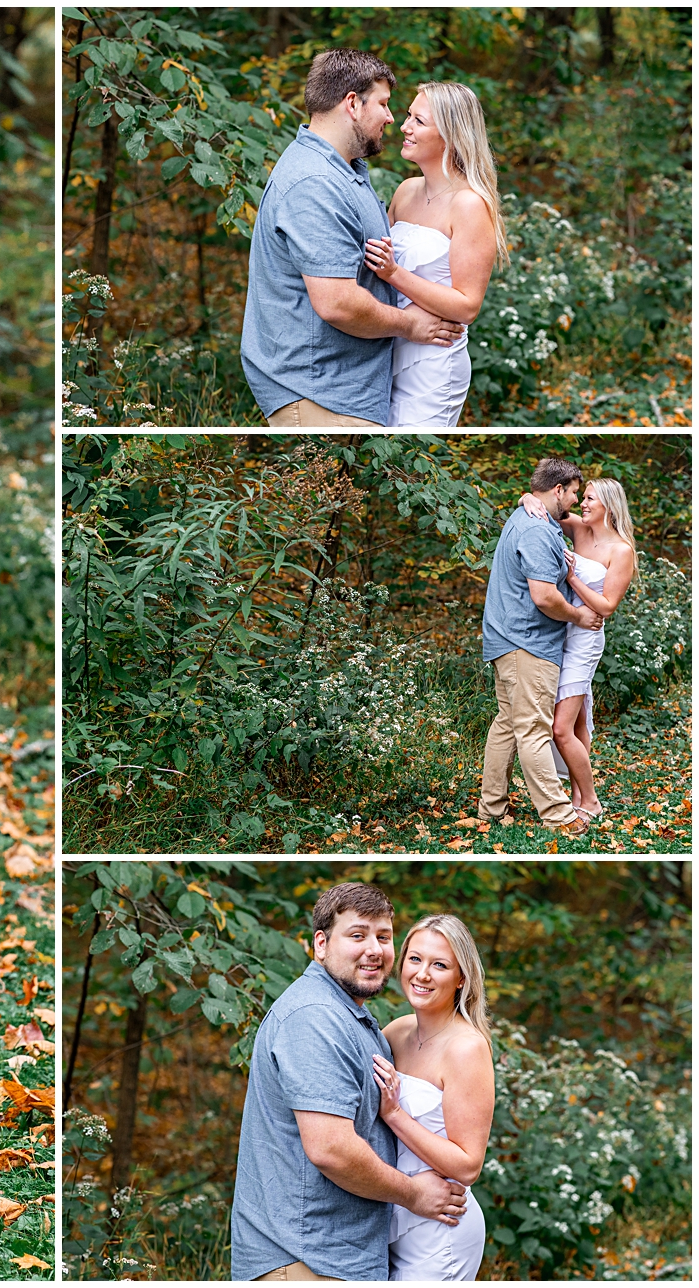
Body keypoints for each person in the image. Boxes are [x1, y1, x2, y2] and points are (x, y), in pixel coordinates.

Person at [231, 883, 467, 1281]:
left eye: (384, 936)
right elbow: (331, 1149)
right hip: (305, 1259)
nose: (374, 949)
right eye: (357, 935)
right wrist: (414, 1195)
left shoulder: (352, 1018)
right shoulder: (314, 1018)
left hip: (338, 1257)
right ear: (321, 945)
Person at [241, 49, 464, 428]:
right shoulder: (316, 182)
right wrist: (410, 326)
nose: (393, 119)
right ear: (352, 104)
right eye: (384, 104)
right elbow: (338, 303)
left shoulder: (345, 170)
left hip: (343, 393)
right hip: (317, 395)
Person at [362, 82, 506, 427]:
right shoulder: (406, 190)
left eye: (419, 121)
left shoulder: (469, 204)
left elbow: (467, 306)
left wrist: (395, 274)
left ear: (451, 136)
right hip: (389, 348)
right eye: (408, 116)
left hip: (434, 363)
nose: (404, 127)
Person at [478, 457, 603, 836]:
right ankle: (558, 815)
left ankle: (491, 807)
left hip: (511, 640)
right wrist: (579, 617)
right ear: (557, 489)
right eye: (573, 493)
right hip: (526, 643)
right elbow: (545, 597)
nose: (575, 501)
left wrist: (524, 498)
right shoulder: (536, 530)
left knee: (507, 724)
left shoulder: (538, 520)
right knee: (534, 728)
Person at [372, 915, 495, 1280]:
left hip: (442, 1228)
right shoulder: (396, 1031)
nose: (423, 974)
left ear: (461, 978)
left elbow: (468, 1165)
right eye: (415, 959)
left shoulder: (466, 1048)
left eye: (439, 965)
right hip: (396, 1214)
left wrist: (394, 1114)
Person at [518, 478, 639, 819]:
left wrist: (572, 579)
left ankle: (591, 799)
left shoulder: (622, 551)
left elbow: (607, 605)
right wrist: (527, 496)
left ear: (610, 506)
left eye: (589, 499)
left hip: (585, 640)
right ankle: (578, 798)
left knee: (560, 727)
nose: (581, 504)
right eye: (581, 497)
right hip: (560, 631)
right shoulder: (578, 529)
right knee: (578, 724)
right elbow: (544, 507)